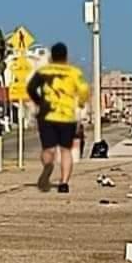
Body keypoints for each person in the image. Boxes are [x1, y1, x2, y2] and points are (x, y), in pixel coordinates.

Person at [26, 42, 90, 194]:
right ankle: (64, 183)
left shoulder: (44, 71)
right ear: (66, 56)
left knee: (48, 149)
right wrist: (80, 102)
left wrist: (39, 101)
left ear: (51, 56)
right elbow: (84, 89)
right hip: (67, 116)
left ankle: (48, 165)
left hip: (47, 115)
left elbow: (31, 88)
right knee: (66, 150)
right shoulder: (74, 72)